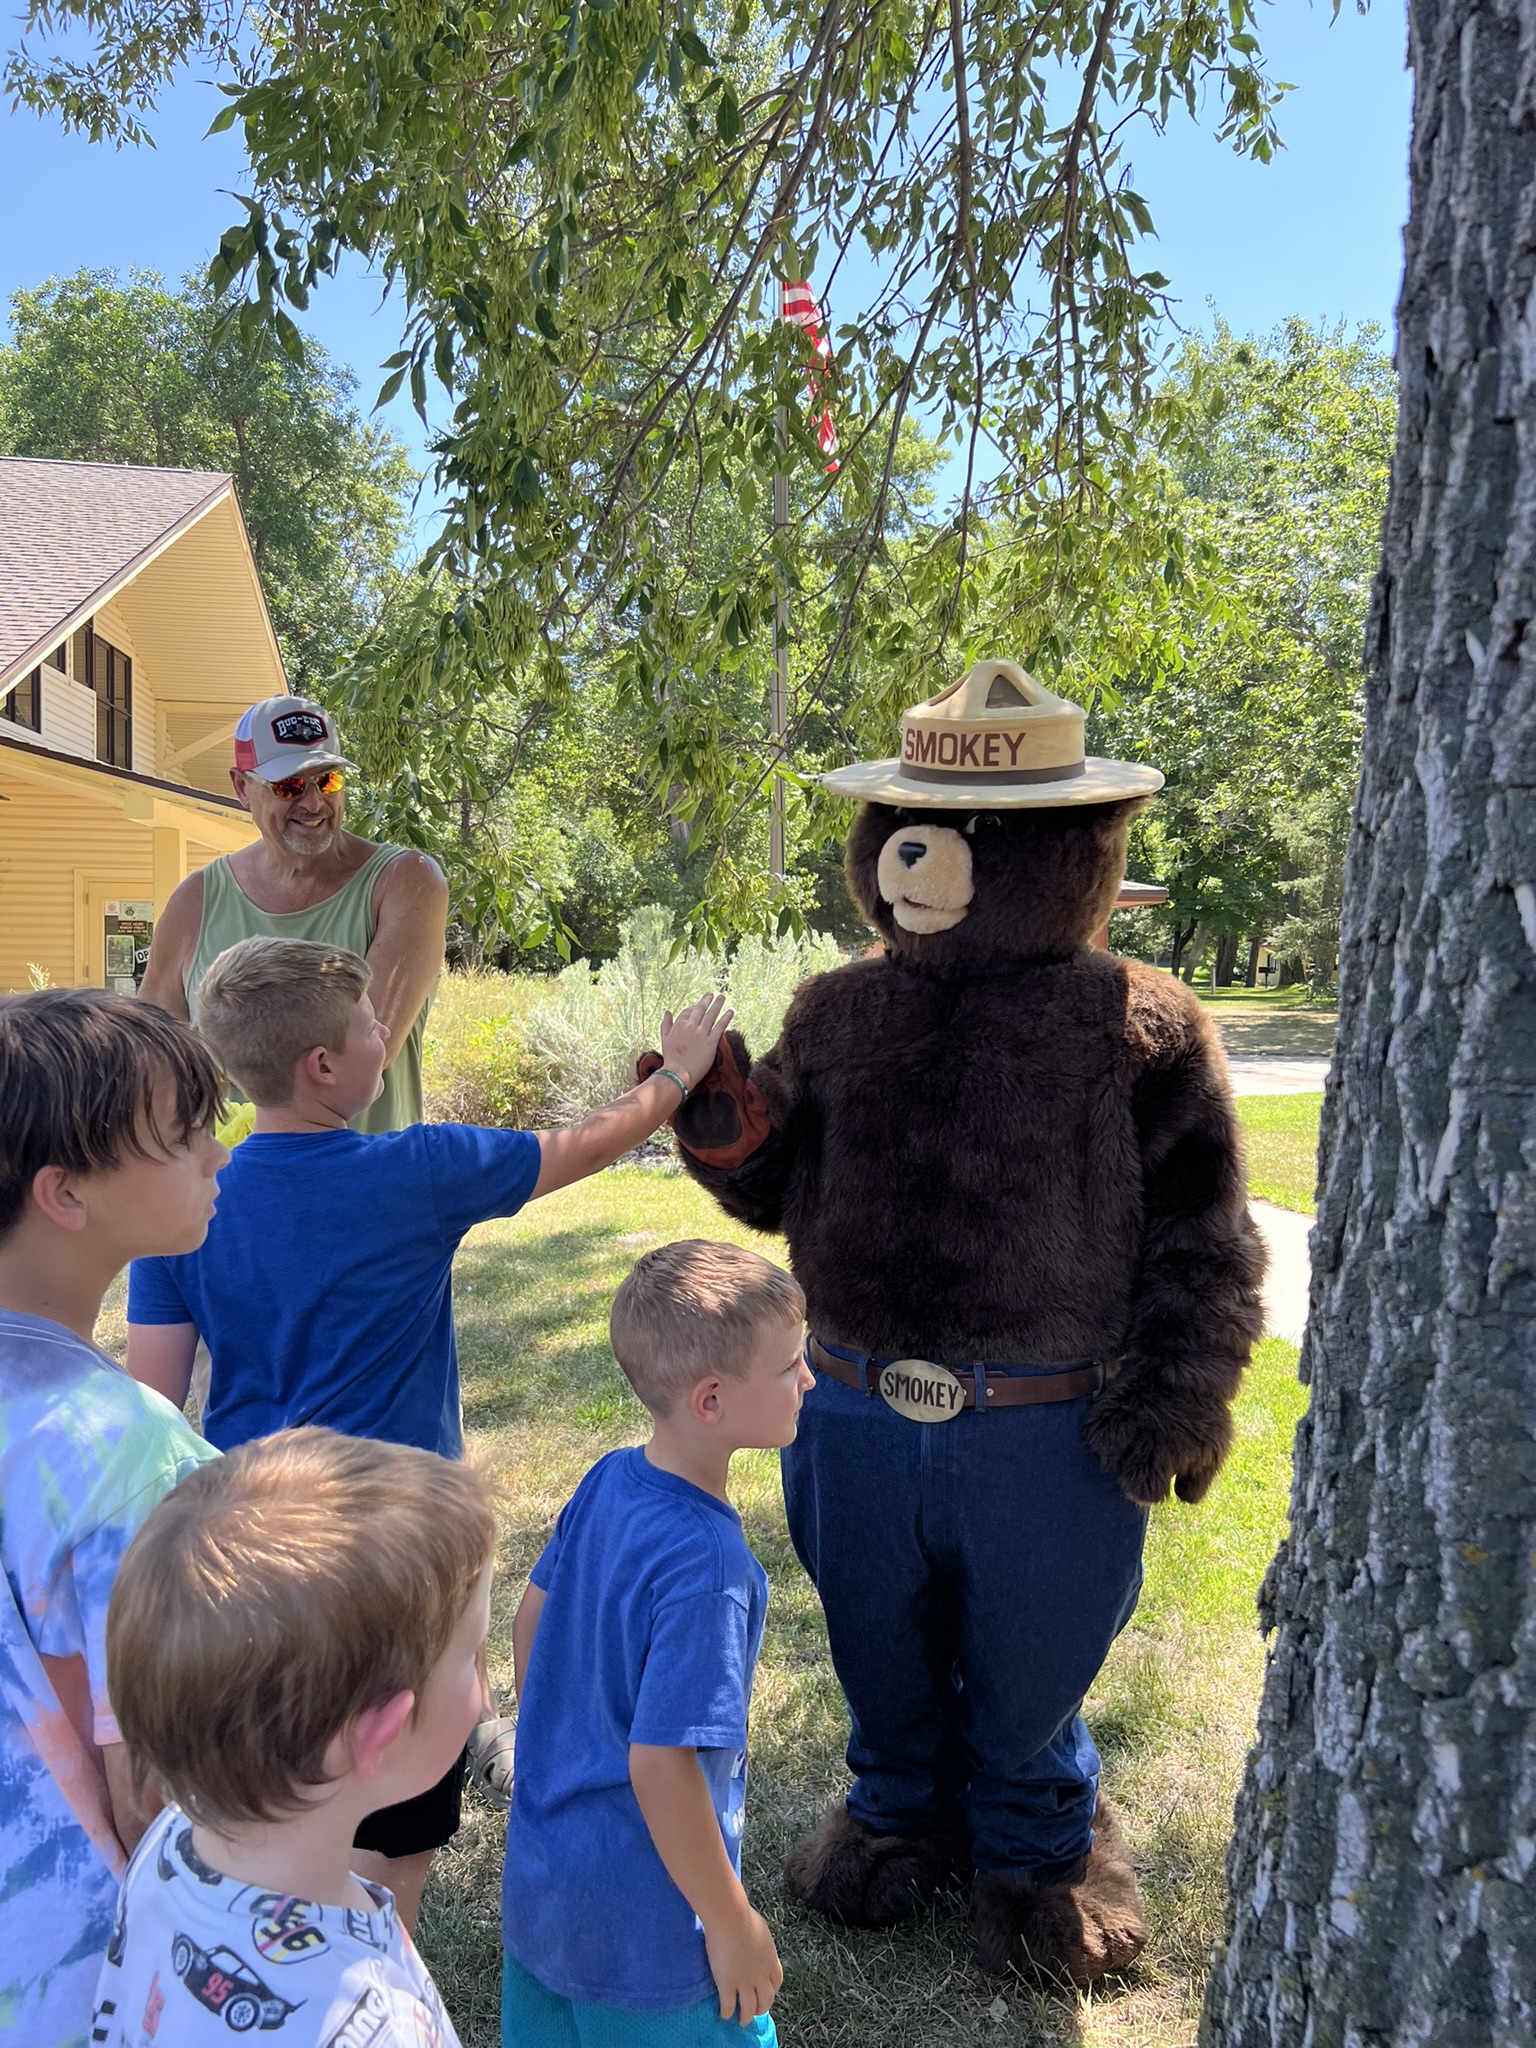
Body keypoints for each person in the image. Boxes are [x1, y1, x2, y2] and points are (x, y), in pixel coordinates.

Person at [124, 936, 731, 1928]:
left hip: (251, 1552)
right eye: (371, 1026)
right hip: (405, 1552)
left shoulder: (191, 1200)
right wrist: (676, 1072)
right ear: (324, 1064)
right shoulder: (418, 1168)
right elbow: (584, 1144)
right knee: (391, 1852)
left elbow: (151, 1402)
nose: (384, 1035)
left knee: (276, 1798)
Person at [501, 1239, 814, 2047]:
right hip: (651, 1936)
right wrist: (731, 1921)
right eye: (789, 1367)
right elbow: (661, 1759)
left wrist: (557, 1749)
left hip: (547, 1888)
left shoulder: (607, 1478)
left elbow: (527, 1622)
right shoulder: (710, 1566)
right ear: (711, 1400)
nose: (808, 1379)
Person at [92, 1429, 494, 2048]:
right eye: (471, 1659)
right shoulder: (369, 2027)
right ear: (377, 1737)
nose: (482, 1688)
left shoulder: (174, 1846)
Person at [0, 989, 225, 2047]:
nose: (216, 1154)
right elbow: (156, 1781)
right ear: (65, 1193)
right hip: (80, 1976)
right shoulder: (126, 1451)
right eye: (184, 1134)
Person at [139, 694, 447, 1134]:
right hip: (225, 1194)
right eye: (287, 785)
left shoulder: (407, 881)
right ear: (241, 787)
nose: (313, 802)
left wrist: (206, 1054)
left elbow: (367, 1046)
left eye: (327, 781)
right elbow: (148, 1054)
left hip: (370, 1192)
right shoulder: (196, 900)